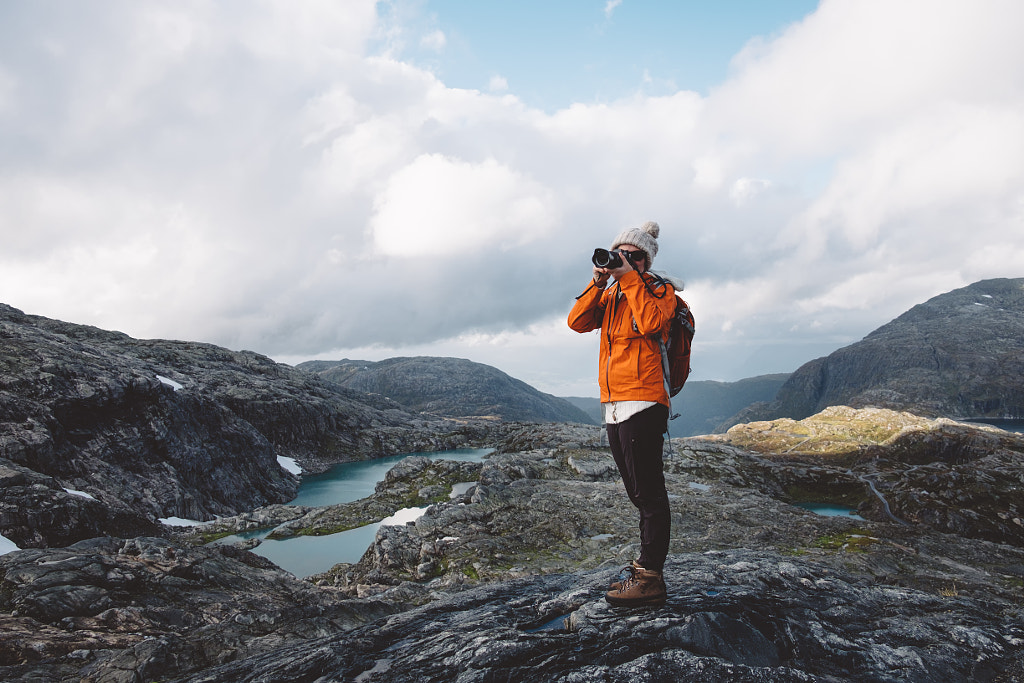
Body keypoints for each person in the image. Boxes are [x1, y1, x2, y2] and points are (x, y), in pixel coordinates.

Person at [567, 220, 677, 607]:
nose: (621, 260)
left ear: (645, 260)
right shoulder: (612, 294)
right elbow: (577, 322)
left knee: (649, 493)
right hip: (613, 405)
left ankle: (650, 578)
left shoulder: (660, 291)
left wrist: (629, 279)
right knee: (637, 493)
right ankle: (645, 569)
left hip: (644, 401)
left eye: (630, 256)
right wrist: (599, 282)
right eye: (619, 254)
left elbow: (650, 323)